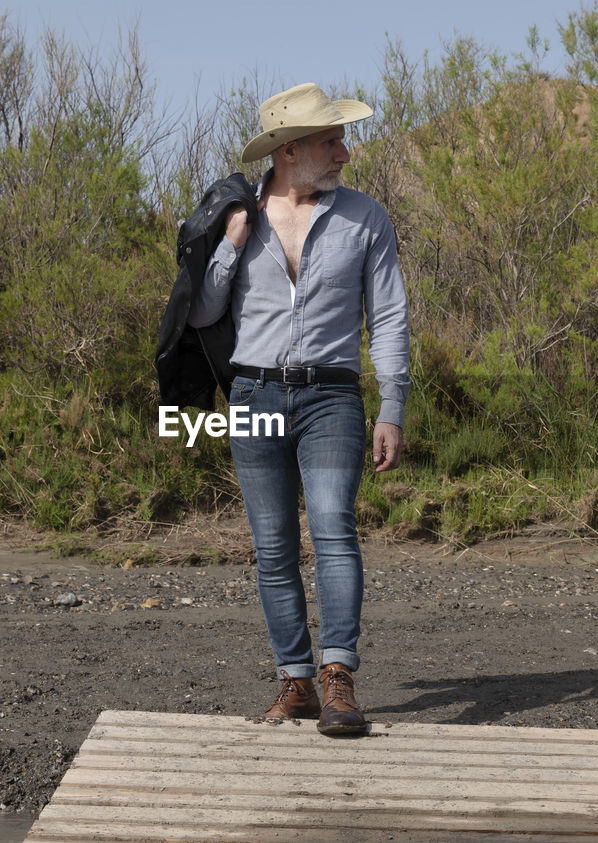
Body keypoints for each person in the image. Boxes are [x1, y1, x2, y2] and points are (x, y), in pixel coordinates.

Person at [187, 83, 410, 735]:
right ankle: (296, 680)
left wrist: (391, 403)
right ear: (290, 152)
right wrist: (230, 243)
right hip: (253, 394)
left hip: (332, 395)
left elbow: (390, 317)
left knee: (335, 526)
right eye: (331, 140)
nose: (344, 151)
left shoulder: (366, 218)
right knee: (274, 546)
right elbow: (199, 313)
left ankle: (339, 676)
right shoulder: (238, 216)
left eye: (342, 138)